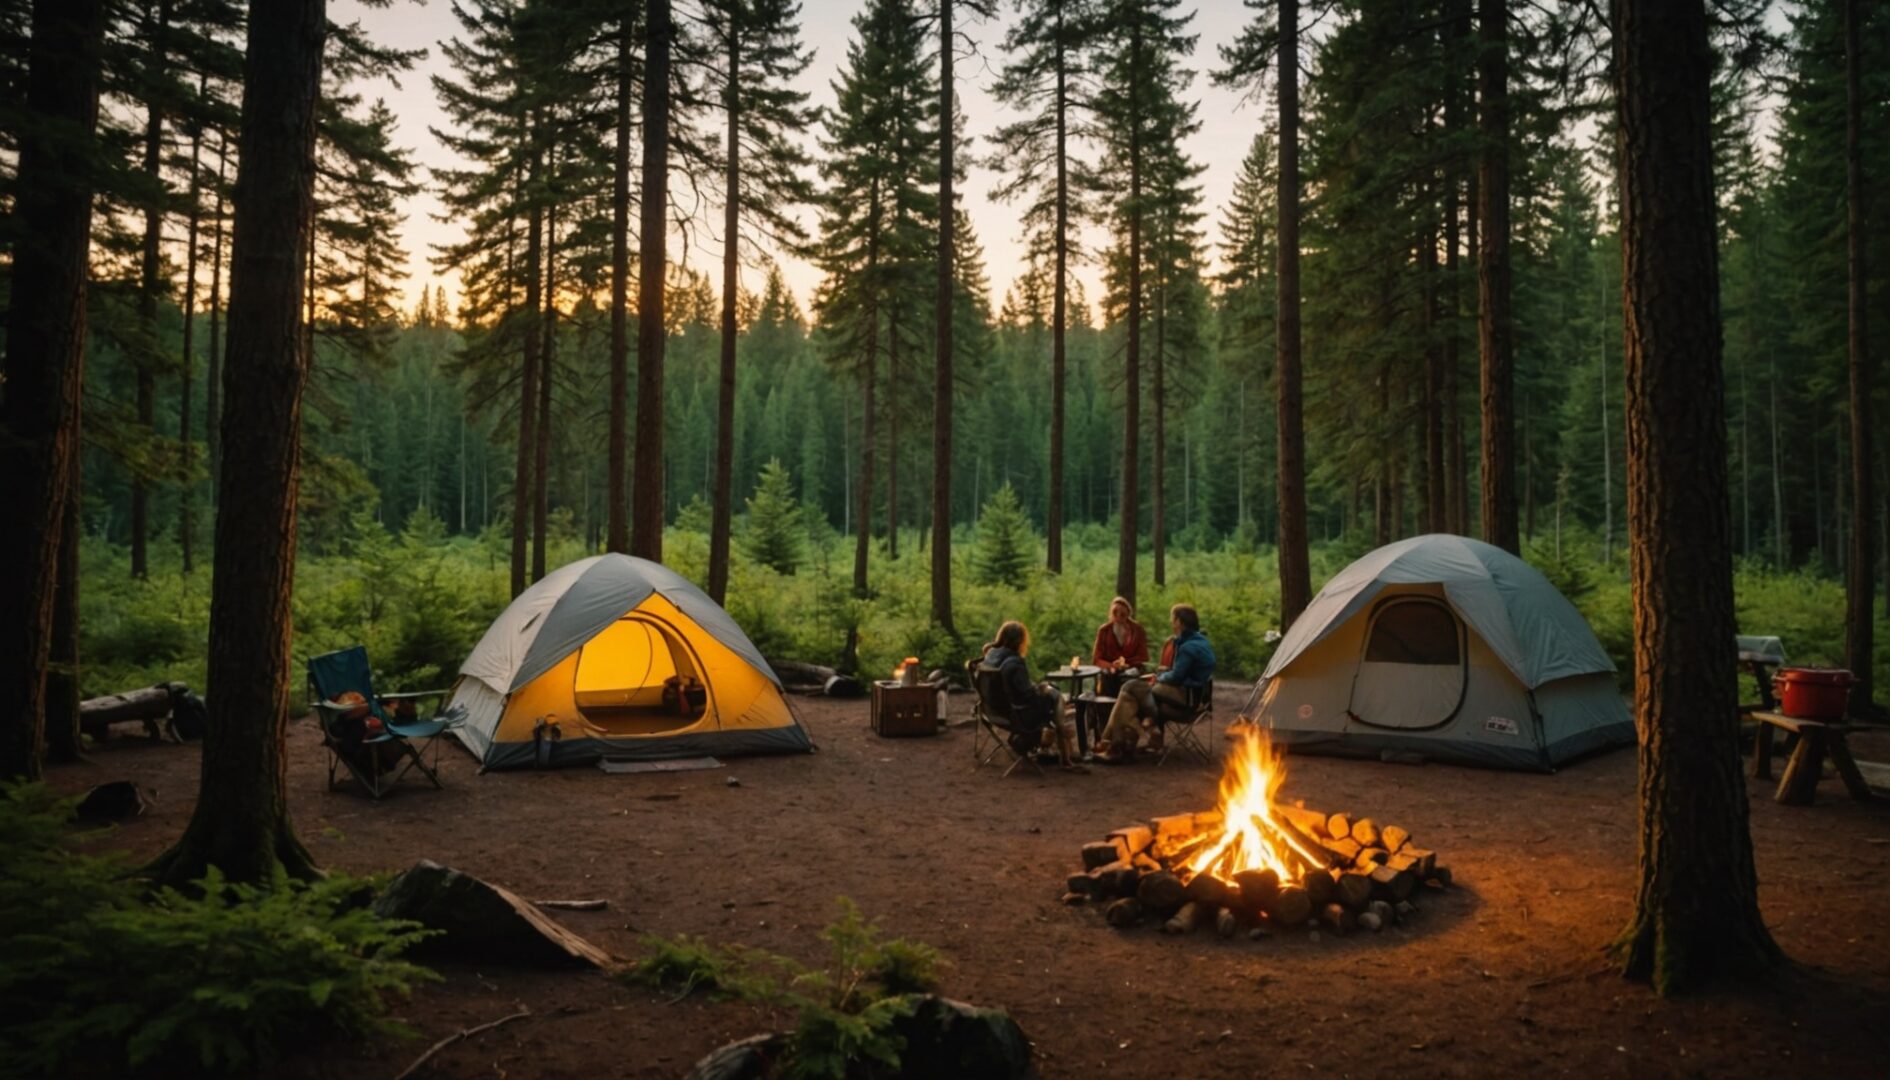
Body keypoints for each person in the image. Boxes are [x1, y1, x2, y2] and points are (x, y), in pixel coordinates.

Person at [1095, 603, 1215, 760]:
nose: (1172, 623)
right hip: (1197, 695)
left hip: (1186, 696)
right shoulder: (1200, 641)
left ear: (1179, 622)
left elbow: (1176, 677)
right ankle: (1121, 742)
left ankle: (1118, 740)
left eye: (1173, 619)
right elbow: (1182, 672)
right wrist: (1165, 673)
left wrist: (1160, 677)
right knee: (1128, 697)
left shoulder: (1188, 647)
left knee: (1130, 687)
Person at [980, 620, 1083, 769]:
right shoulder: (1014, 662)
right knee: (1056, 698)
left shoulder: (991, 655)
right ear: (1019, 640)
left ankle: (1061, 748)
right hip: (1019, 714)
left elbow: (1017, 689)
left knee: (1054, 694)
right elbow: (1027, 696)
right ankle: (1065, 756)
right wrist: (1041, 690)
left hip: (993, 711)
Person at [1090, 596, 1149, 675]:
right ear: (1111, 613)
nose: (1118, 616)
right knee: (1108, 676)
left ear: (1128, 613)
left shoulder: (1137, 630)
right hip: (1110, 669)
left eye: (1122, 614)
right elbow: (1096, 659)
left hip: (1132, 668)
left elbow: (1143, 656)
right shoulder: (1104, 630)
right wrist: (1112, 665)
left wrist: (1126, 664)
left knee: (1129, 675)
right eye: (1115, 612)